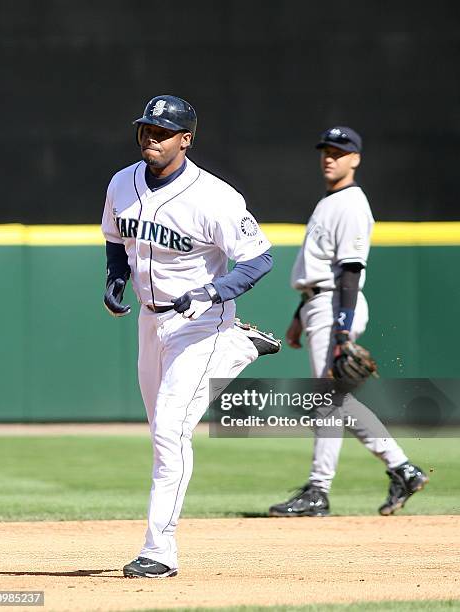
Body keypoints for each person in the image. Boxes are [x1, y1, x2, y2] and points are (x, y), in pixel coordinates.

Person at [101, 95, 280, 578]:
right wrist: (115, 280)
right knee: (160, 426)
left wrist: (212, 290)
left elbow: (260, 258)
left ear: (186, 140)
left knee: (170, 433)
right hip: (150, 321)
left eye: (162, 133)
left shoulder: (215, 198)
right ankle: (242, 346)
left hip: (201, 323)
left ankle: (159, 551)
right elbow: (116, 241)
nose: (151, 139)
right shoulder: (122, 183)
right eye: (146, 130)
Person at [268, 126, 428, 518]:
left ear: (355, 159)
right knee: (338, 402)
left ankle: (319, 490)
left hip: (336, 305)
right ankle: (403, 469)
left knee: (327, 402)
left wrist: (342, 329)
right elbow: (319, 267)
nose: (329, 157)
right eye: (325, 150)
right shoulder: (331, 201)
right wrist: (298, 315)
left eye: (339, 152)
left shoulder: (352, 204)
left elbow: (350, 273)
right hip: (317, 305)